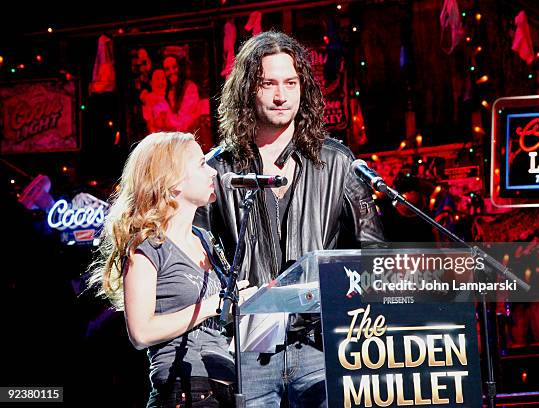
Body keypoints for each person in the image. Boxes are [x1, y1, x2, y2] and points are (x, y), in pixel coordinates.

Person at [195, 31, 385, 407]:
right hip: (245, 353)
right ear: (248, 89)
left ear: (303, 88)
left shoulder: (338, 163)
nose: (281, 96)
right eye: (268, 84)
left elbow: (373, 254)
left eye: (290, 83)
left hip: (322, 346)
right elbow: (193, 258)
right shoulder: (216, 168)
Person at [87, 132, 256, 407]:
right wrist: (213, 305)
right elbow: (141, 333)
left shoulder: (205, 239)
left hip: (227, 383)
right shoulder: (147, 247)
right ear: (173, 180)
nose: (212, 171)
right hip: (185, 389)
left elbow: (219, 315)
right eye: (202, 164)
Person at [159, 54, 201, 133]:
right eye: (167, 69)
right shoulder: (166, 92)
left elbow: (184, 124)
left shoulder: (190, 87)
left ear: (180, 68)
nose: (171, 72)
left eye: (174, 67)